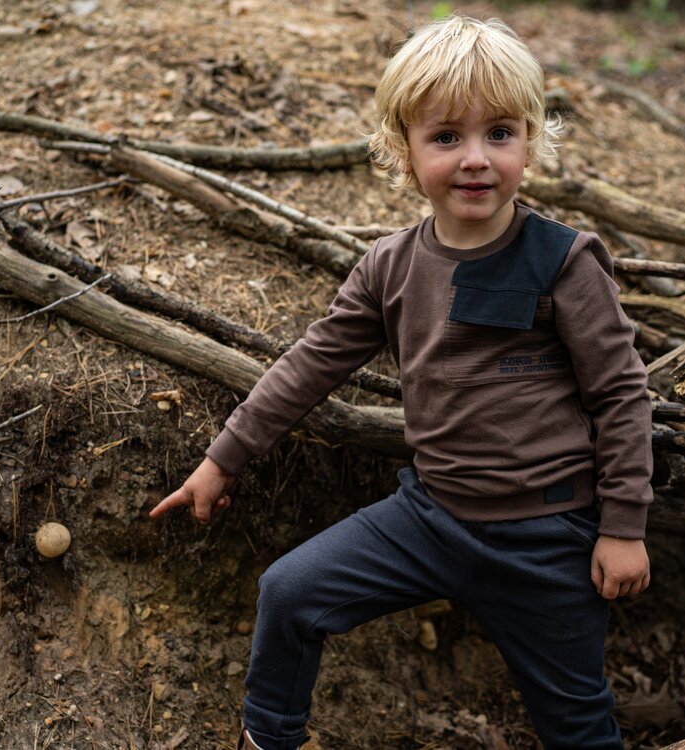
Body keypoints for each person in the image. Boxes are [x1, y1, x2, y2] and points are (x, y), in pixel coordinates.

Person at [150, 15, 652, 750]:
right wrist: (223, 459)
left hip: (547, 538)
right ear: (403, 151)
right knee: (289, 593)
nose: (476, 158)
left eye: (500, 133)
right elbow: (312, 363)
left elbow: (620, 394)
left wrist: (623, 528)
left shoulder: (565, 261)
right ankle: (269, 738)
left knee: (576, 723)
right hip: (428, 520)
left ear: (531, 141)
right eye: (447, 137)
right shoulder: (390, 265)